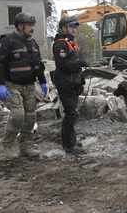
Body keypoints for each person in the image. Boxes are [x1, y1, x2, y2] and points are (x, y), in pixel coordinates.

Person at [0, 12, 47, 159]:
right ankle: (8, 144)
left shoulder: (33, 43)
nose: (32, 28)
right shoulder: (7, 41)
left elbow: (38, 64)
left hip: (29, 85)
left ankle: (26, 146)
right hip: (12, 85)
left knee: (30, 117)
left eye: (33, 25)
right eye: (30, 25)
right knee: (18, 115)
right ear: (20, 25)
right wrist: (0, 85)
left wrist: (42, 81)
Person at [52, 15, 89, 155]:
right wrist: (80, 63)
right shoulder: (60, 44)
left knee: (71, 113)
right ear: (64, 28)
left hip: (73, 84)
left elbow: (75, 67)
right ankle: (70, 145)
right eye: (71, 27)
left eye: (75, 27)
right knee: (72, 115)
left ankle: (67, 140)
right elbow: (63, 65)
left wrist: (81, 82)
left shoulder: (72, 43)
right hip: (65, 84)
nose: (74, 29)